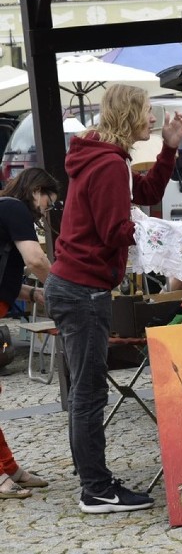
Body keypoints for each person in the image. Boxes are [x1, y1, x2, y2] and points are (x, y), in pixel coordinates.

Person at [43, 83, 182, 513]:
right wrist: (165, 238)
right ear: (129, 114)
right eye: (146, 111)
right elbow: (114, 231)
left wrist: (169, 148)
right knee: (89, 395)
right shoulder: (108, 164)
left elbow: (144, 194)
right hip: (83, 290)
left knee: (86, 393)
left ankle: (94, 480)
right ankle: (96, 489)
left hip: (76, 286)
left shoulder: (109, 159)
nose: (151, 118)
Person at [0, 167, 57, 498]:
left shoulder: (6, 209)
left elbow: (4, 276)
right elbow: (35, 259)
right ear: (36, 191)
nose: (47, 209)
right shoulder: (15, 208)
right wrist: (59, 287)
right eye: (49, 200)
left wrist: (34, 294)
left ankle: (10, 468)